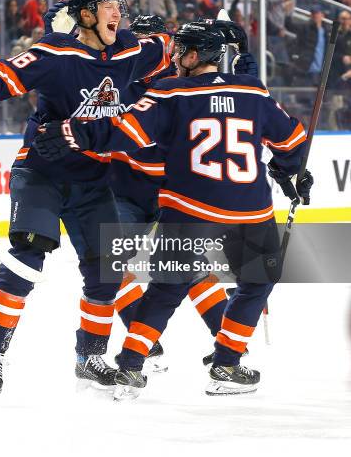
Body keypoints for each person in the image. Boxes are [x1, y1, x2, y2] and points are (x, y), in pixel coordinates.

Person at [43, 22, 313, 397]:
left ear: (193, 55)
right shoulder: (252, 89)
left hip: (189, 206)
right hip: (248, 210)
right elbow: (292, 141)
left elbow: (125, 130)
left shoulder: (169, 92)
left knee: (165, 290)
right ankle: (227, 364)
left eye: (180, 48)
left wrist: (75, 133)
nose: (173, 55)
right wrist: (289, 173)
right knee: (257, 283)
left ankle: (130, 366)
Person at [0, 0, 172, 402]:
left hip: (93, 180)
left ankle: (90, 356)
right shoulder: (56, 52)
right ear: (85, 15)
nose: (116, 13)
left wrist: (226, 51)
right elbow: (8, 72)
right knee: (27, 259)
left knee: (106, 272)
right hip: (41, 175)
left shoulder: (128, 51)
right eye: (107, 6)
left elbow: (168, 47)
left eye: (118, 6)